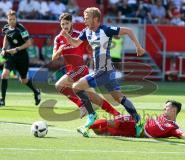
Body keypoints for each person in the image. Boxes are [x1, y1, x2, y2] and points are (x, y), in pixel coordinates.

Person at [61, 7, 145, 136]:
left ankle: (92, 115)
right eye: (84, 17)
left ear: (95, 19)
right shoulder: (86, 31)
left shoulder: (106, 30)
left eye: (87, 17)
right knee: (118, 97)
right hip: (106, 70)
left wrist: (138, 47)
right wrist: (67, 36)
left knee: (76, 87)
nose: (84, 20)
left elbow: (129, 31)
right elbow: (76, 43)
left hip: (104, 70)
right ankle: (138, 121)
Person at [52, 12, 120, 118]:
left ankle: (82, 105)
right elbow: (54, 58)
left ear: (71, 23)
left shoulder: (78, 35)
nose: (64, 26)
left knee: (59, 85)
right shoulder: (58, 38)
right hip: (71, 71)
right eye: (62, 24)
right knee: (94, 98)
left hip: (81, 69)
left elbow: (92, 47)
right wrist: (60, 50)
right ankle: (116, 114)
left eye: (66, 23)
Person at [89, 100, 185, 140]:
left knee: (102, 132)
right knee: (114, 121)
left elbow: (184, 136)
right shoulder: (160, 116)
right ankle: (86, 127)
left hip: (135, 133)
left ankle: (91, 126)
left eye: (167, 106)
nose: (164, 108)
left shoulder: (173, 127)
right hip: (137, 123)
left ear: (174, 110)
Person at [0, 10, 41, 107]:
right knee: (4, 74)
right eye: (10, 19)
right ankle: (2, 100)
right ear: (7, 19)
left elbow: (29, 43)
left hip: (22, 57)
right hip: (11, 56)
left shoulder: (21, 29)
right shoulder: (6, 28)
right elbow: (6, 37)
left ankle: (36, 92)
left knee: (23, 80)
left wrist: (17, 49)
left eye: (13, 19)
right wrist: (3, 48)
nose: (12, 21)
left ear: (16, 19)